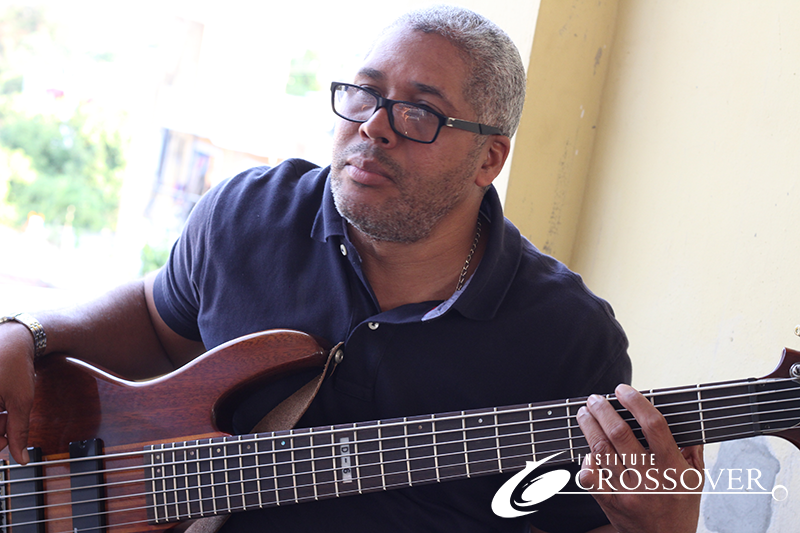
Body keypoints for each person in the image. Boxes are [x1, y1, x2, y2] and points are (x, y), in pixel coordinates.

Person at [0, 6, 703, 533]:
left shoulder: (568, 338)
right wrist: (27, 332)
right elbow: (155, 322)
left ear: (488, 159)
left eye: (420, 112)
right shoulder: (252, 212)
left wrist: (660, 528)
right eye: (365, 93)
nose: (373, 125)